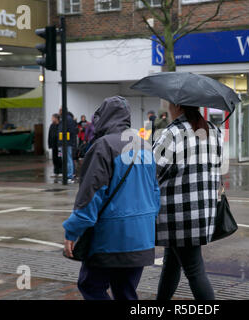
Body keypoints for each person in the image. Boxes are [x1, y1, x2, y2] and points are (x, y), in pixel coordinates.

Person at [63, 96, 160, 300]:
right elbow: (155, 194)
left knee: (91, 286)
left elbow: (90, 197)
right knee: (126, 291)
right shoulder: (145, 147)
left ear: (102, 117)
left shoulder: (102, 146)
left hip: (110, 238)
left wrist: (72, 231)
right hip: (141, 237)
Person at [153, 103, 222, 300]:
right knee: (171, 263)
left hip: (178, 213)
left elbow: (152, 170)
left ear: (177, 106)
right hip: (204, 210)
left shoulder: (173, 132)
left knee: (194, 269)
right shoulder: (214, 131)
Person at [58, 108, 78, 183]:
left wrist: (68, 141)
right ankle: (67, 175)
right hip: (64, 142)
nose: (58, 112)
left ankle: (69, 176)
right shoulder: (64, 118)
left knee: (68, 159)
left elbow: (71, 131)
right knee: (65, 159)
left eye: (59, 111)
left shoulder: (67, 119)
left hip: (66, 142)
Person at [48, 114, 62, 178]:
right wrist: (49, 144)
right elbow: (49, 135)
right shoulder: (52, 125)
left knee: (60, 158)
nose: (51, 119)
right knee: (54, 159)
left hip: (59, 145)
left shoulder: (60, 125)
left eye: (52, 118)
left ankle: (61, 171)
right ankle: (55, 172)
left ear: (56, 118)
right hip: (54, 146)